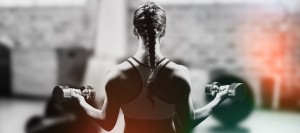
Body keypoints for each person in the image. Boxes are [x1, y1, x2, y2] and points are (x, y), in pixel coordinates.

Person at [71, 1, 229, 133]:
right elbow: (187, 124)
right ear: (163, 31)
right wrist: (217, 99)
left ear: (134, 30)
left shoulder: (116, 74)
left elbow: (107, 123)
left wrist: (81, 101)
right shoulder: (180, 74)